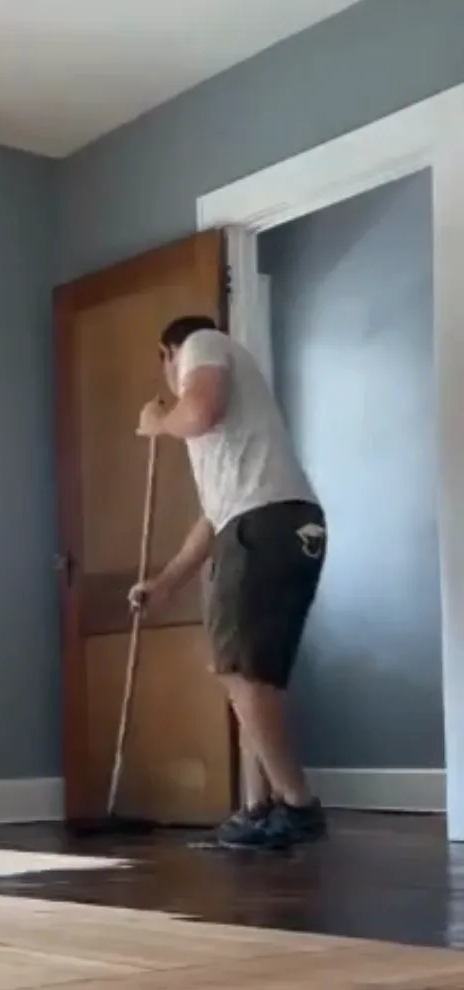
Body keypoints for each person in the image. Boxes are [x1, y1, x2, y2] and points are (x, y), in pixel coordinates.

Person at [131, 314, 327, 852]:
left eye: (170, 370)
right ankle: (264, 806)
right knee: (245, 672)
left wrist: (158, 421)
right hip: (268, 523)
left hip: (266, 524)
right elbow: (217, 518)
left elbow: (198, 411)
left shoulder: (202, 342)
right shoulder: (236, 448)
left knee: (243, 673)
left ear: (166, 354)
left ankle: (296, 807)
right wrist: (168, 582)